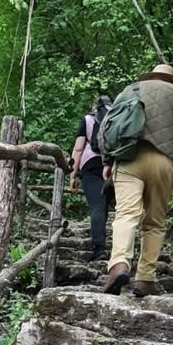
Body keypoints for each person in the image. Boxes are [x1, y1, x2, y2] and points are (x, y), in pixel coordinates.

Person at [99, 64, 173, 296]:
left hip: (129, 159)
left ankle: (119, 265)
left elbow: (106, 127)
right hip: (163, 163)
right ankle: (145, 279)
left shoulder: (130, 90)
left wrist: (107, 160)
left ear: (152, 75)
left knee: (126, 215)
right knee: (154, 223)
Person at [69, 95, 113, 261]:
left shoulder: (87, 119)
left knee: (97, 206)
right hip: (114, 164)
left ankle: (99, 249)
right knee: (104, 206)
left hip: (91, 164)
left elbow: (78, 149)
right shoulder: (117, 116)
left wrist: (73, 174)